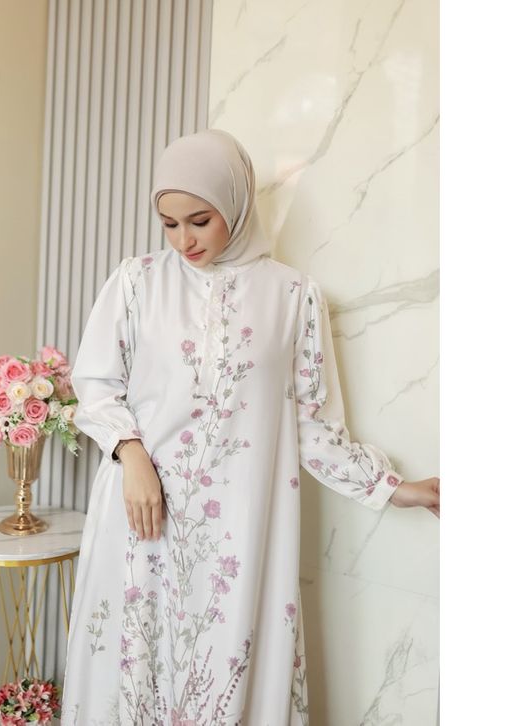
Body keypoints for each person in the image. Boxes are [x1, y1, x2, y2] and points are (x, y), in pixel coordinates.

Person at [58, 128, 439, 725]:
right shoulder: (136, 282)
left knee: (224, 673)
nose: (184, 240)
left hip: (239, 531)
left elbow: (312, 424)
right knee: (136, 672)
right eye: (169, 223)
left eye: (200, 221)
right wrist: (131, 455)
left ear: (235, 206)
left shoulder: (293, 297)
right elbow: (97, 383)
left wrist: (394, 488)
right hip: (141, 518)